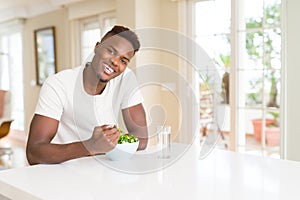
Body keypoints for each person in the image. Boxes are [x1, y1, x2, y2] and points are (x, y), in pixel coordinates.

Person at [26, 25, 148, 165]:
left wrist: (109, 143)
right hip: (61, 172)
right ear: (97, 47)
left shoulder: (126, 79)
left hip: (102, 170)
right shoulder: (58, 84)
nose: (115, 62)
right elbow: (33, 153)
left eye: (123, 61)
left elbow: (141, 138)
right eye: (110, 51)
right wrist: (90, 146)